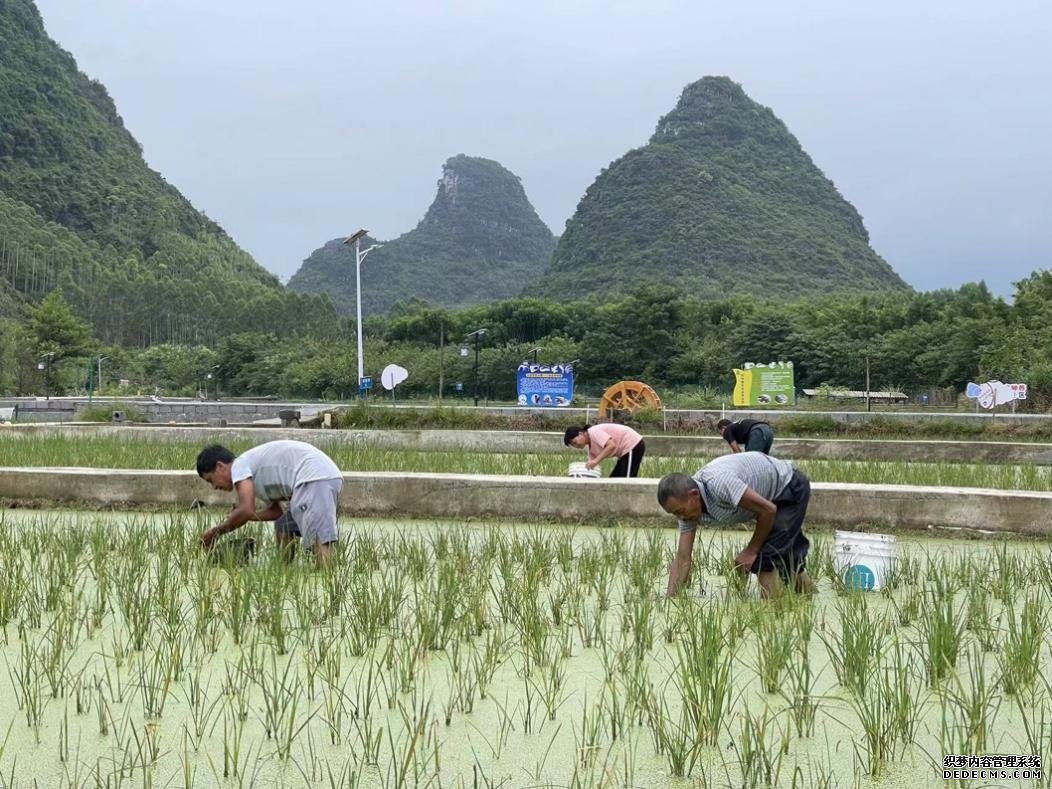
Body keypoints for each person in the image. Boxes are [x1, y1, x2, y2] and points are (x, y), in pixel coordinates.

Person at [657, 453, 813, 598]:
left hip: (787, 486)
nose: (681, 517)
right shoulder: (687, 513)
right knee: (788, 557)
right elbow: (683, 559)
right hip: (767, 501)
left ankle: (773, 618)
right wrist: (671, 599)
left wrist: (750, 551)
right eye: (675, 514)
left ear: (694, 495)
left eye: (680, 511)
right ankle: (809, 597)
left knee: (765, 560)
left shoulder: (719, 483)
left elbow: (768, 510)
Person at [195, 440, 344, 565]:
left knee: (319, 540)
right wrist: (249, 516)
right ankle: (284, 569)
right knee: (283, 525)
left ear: (221, 466)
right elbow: (277, 512)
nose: (214, 487)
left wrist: (216, 532)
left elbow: (246, 509)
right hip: (319, 478)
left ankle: (327, 583)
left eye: (210, 480)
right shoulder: (253, 473)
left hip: (314, 478)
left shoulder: (239, 466)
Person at [563, 423, 645, 477]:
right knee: (614, 480)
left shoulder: (593, 432)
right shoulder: (591, 448)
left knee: (625, 481)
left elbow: (611, 446)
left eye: (575, 442)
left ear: (581, 434)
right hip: (624, 453)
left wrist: (596, 461)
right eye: (573, 445)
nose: (576, 446)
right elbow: (591, 467)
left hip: (632, 444)